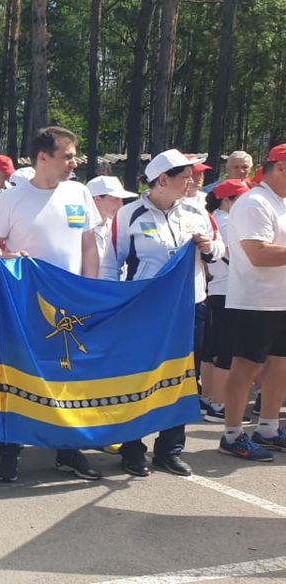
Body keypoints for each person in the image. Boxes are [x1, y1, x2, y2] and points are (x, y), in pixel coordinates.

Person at [0, 126, 103, 483]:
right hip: (25, 309)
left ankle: (68, 452)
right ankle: (9, 452)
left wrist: (90, 291)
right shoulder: (12, 199)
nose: (74, 163)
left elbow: (88, 245)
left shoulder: (79, 193)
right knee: (18, 377)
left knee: (69, 377)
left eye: (74, 155)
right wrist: (9, 256)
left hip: (70, 306)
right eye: (67, 156)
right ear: (43, 158)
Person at [103, 149, 224, 477]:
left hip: (191, 306)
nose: (193, 181)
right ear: (162, 180)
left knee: (185, 378)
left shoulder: (196, 211)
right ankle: (132, 447)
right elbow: (111, 263)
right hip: (146, 309)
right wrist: (113, 305)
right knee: (140, 376)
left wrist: (210, 247)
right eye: (186, 176)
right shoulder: (129, 214)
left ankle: (170, 449)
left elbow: (220, 248)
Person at [216, 143, 286, 462]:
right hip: (254, 301)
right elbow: (258, 254)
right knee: (246, 366)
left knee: (280, 365)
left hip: (280, 299)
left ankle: (268, 429)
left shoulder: (280, 202)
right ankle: (232, 434)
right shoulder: (254, 202)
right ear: (281, 168)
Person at [200, 179, 250, 423]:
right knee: (226, 350)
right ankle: (219, 405)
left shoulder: (217, 220)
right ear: (228, 199)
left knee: (212, 349)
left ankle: (209, 398)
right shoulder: (229, 222)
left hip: (217, 291)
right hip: (229, 291)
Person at [86, 176, 139, 262]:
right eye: (116, 199)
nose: (121, 204)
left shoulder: (119, 227)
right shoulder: (78, 231)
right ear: (97, 199)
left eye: (121, 199)